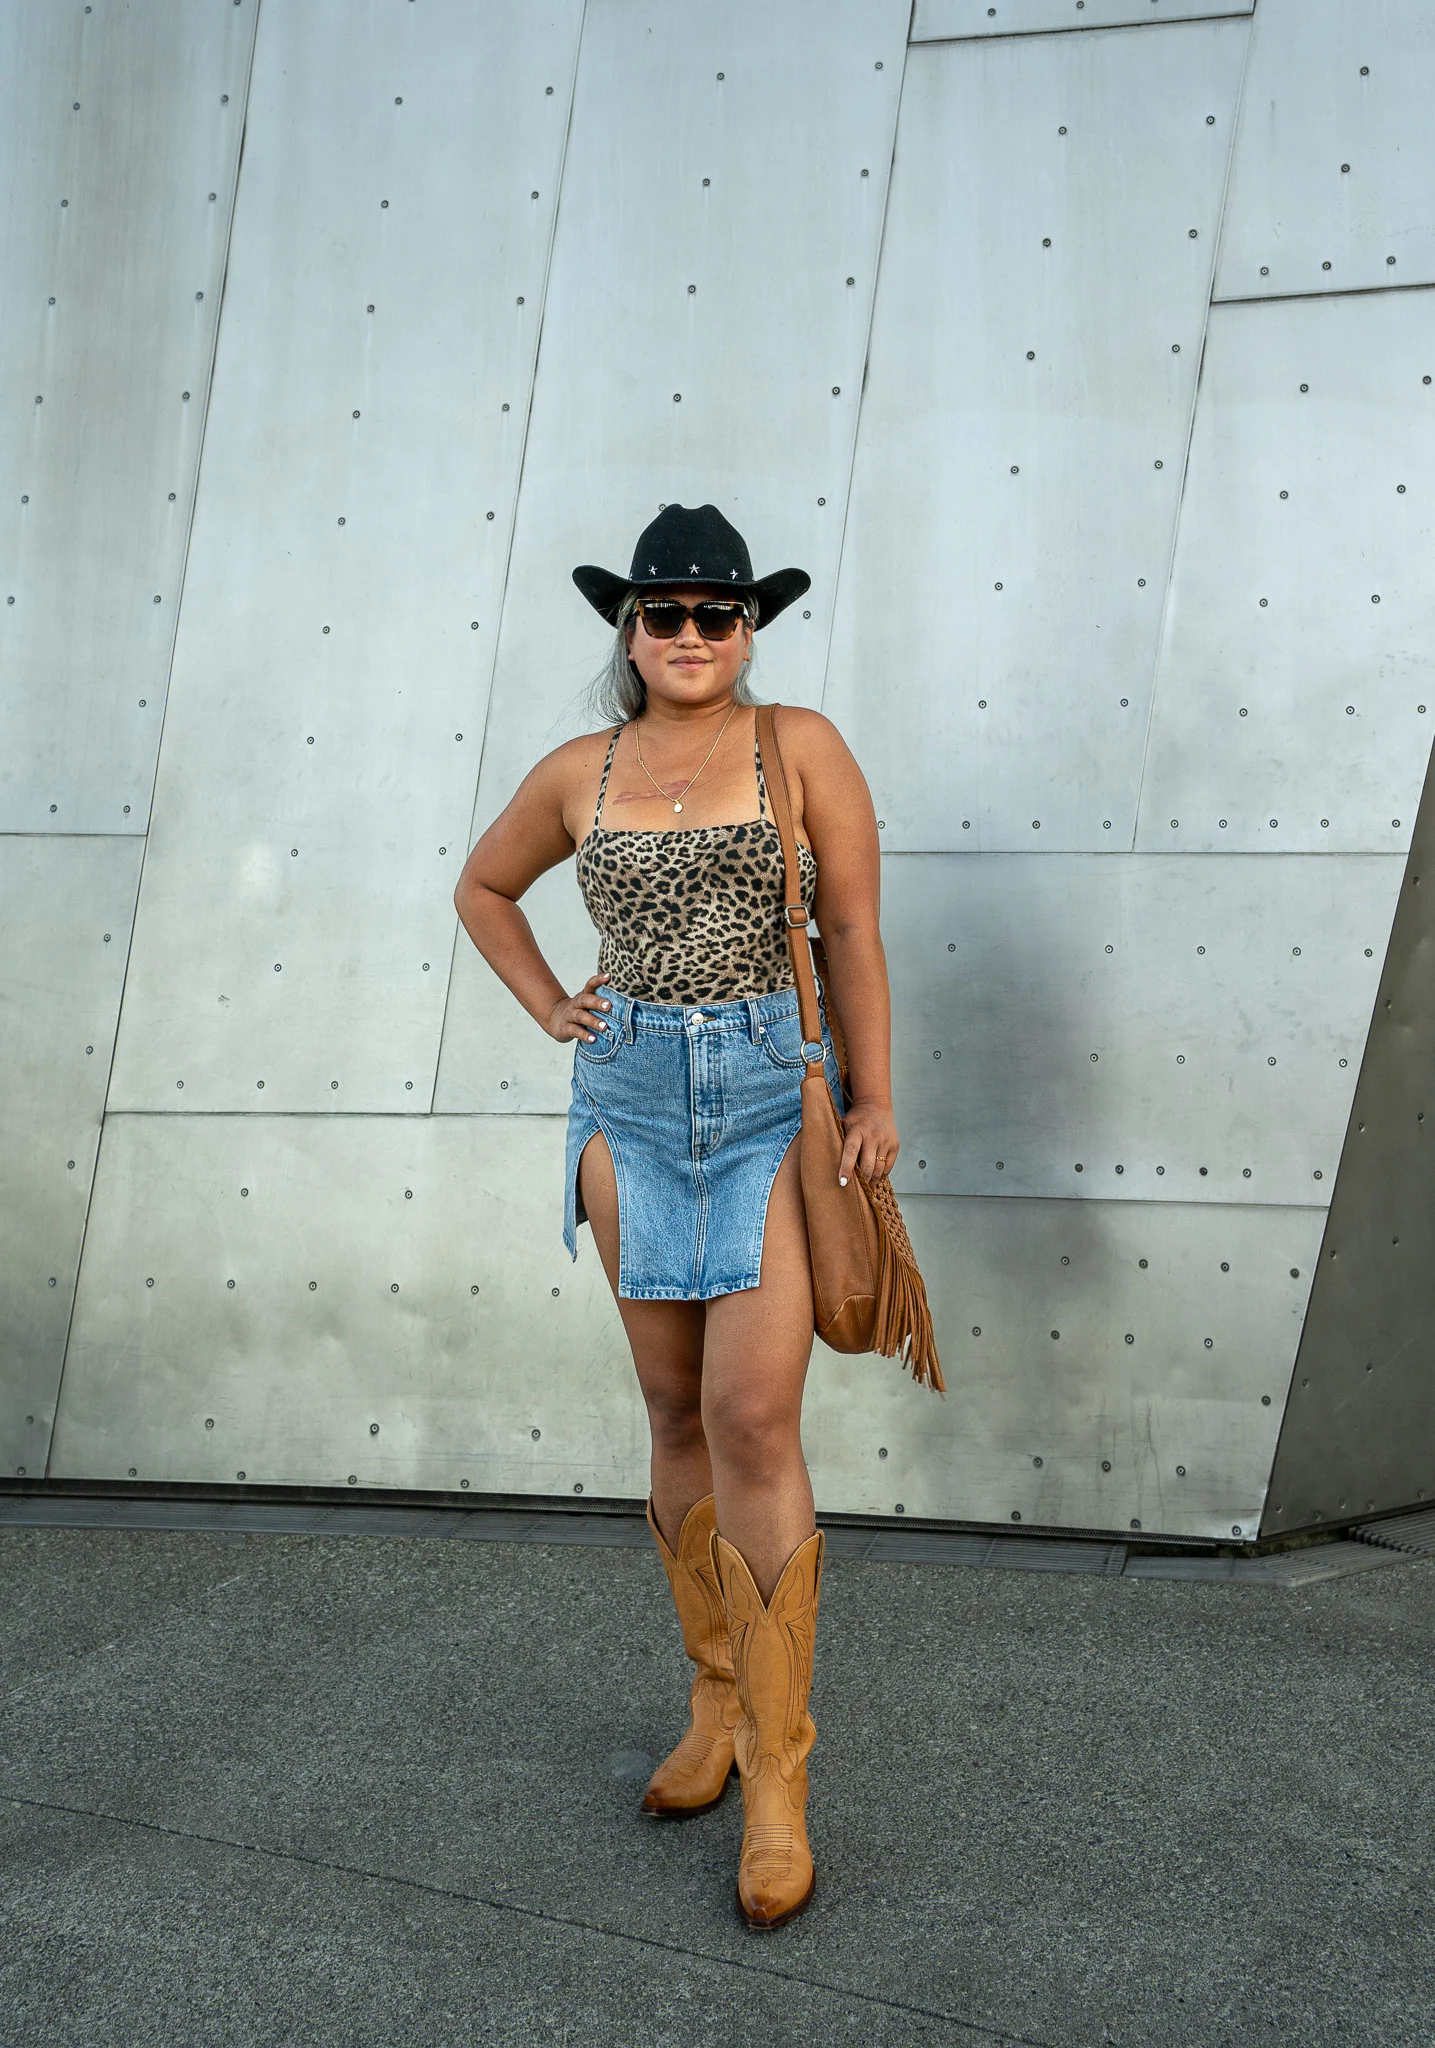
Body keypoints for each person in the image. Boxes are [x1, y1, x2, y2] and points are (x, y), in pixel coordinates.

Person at [452, 502, 899, 1929]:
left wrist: (871, 1100)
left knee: (755, 1415)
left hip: (774, 1093)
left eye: (718, 613)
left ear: (748, 629)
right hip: (630, 1099)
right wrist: (546, 1004)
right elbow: (482, 886)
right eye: (665, 614)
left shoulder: (802, 745)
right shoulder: (579, 767)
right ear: (628, 630)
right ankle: (714, 1704)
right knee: (673, 1415)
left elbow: (853, 932)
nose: (692, 634)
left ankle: (778, 1774)